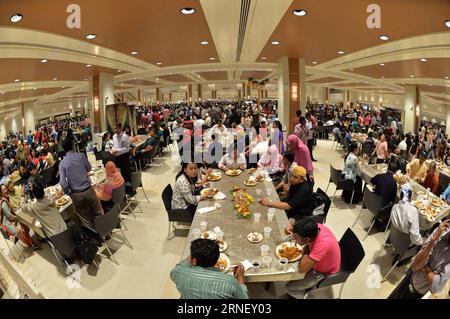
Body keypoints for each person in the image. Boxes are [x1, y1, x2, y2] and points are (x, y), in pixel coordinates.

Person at [388, 220, 450, 299]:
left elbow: (436, 288)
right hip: (410, 276)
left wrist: (424, 266)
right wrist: (433, 240)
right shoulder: (441, 231)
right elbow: (416, 266)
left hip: (417, 291)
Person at [170, 239, 248, 299]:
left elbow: (175, 272)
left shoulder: (178, 272)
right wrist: (240, 277)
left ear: (194, 261)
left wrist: (193, 257)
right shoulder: (230, 282)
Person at [284, 218, 341, 299]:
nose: (294, 240)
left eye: (296, 238)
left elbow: (302, 268)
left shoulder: (323, 244)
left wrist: (304, 252)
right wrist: (292, 227)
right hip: (322, 261)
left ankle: (304, 297)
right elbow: (294, 222)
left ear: (307, 239)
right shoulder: (316, 227)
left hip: (325, 271)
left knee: (289, 287)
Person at [59, 136, 102, 228]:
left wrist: (69, 193)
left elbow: (62, 182)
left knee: (85, 218)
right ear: (73, 146)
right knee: (98, 212)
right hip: (88, 190)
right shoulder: (81, 156)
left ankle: (95, 239)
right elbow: (89, 168)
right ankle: (104, 234)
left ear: (63, 149)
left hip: (76, 194)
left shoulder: (62, 163)